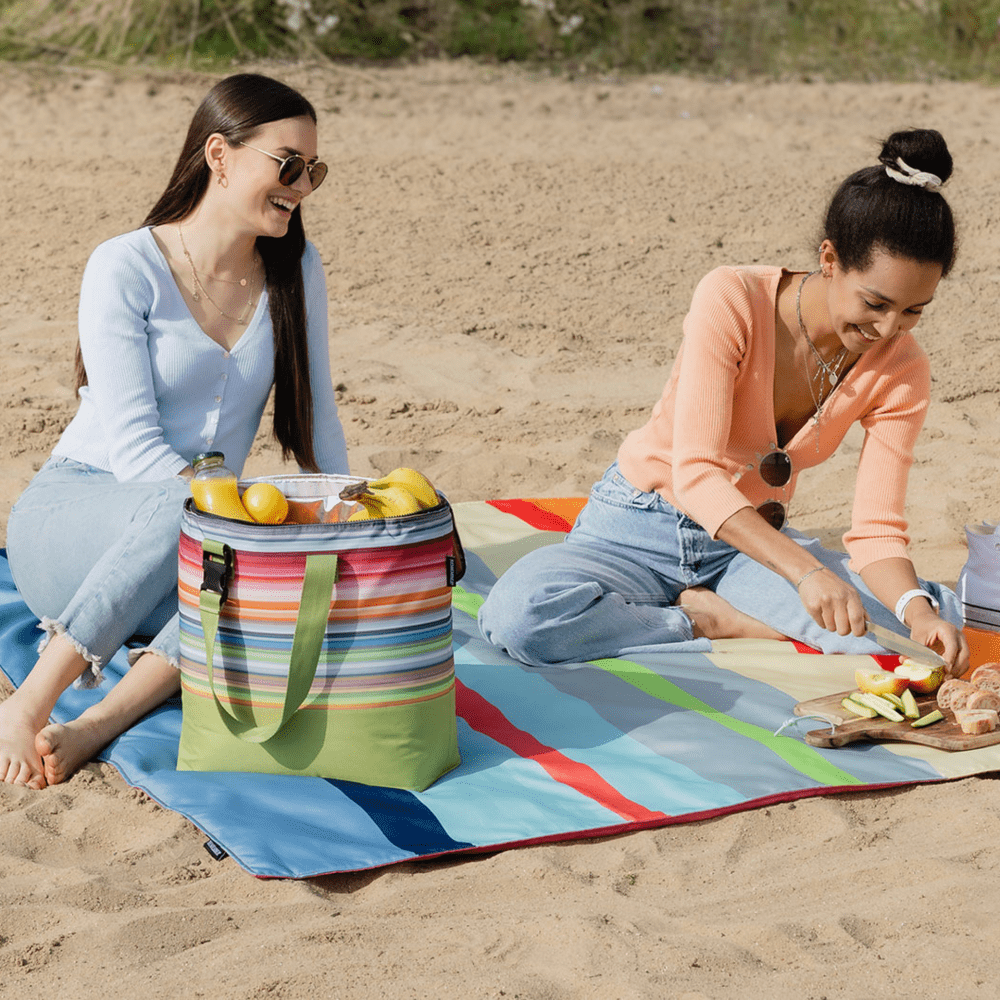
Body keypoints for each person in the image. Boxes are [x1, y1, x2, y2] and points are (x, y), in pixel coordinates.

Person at [479, 128, 970, 677]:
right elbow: (695, 476)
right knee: (521, 618)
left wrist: (914, 609)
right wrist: (805, 572)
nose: (888, 328)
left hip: (746, 549)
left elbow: (877, 528)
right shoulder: (732, 296)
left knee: (921, 627)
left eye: (913, 311)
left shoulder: (903, 368)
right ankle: (701, 622)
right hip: (640, 529)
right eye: (876, 303)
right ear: (830, 259)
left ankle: (736, 611)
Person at [0, 73, 349, 789]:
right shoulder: (125, 265)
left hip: (193, 528)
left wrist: (345, 516)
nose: (303, 186)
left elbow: (319, 422)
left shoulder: (294, 269)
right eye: (288, 164)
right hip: (79, 516)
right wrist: (226, 509)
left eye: (313, 170)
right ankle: (29, 703)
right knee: (193, 501)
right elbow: (134, 453)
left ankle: (97, 721)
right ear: (219, 155)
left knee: (275, 583)